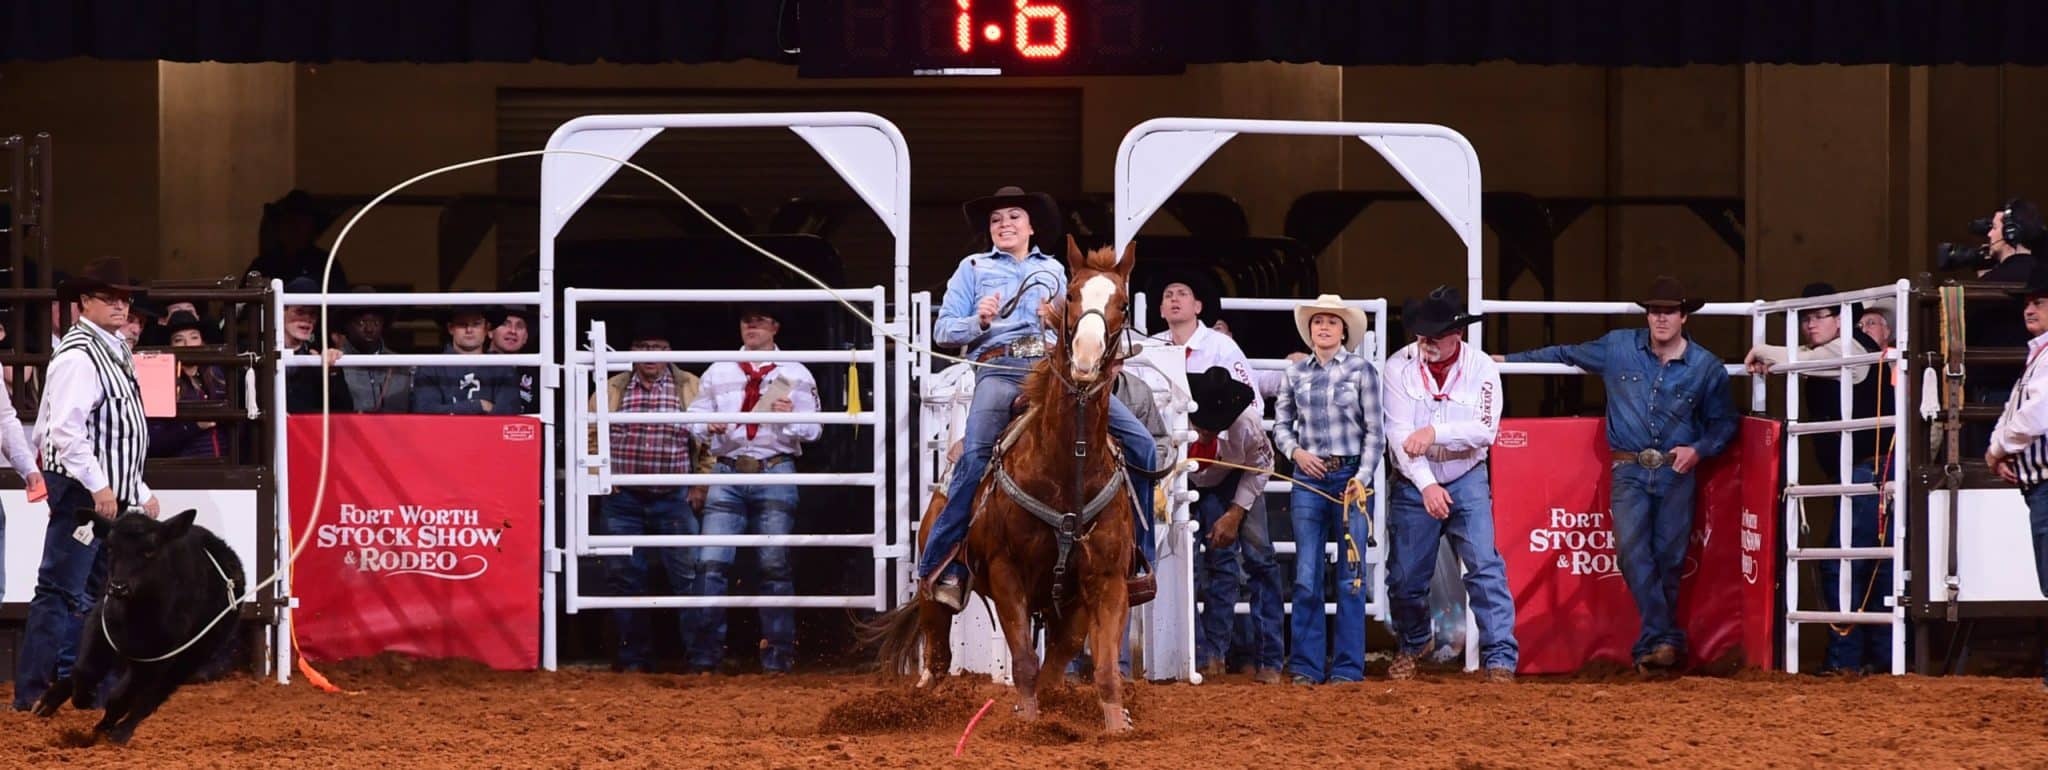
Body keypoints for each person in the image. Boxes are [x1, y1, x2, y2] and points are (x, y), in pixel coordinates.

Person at [915, 186, 1158, 612]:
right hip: (1000, 369)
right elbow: (943, 331)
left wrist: (1061, 319)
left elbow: (1089, 322)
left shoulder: (1060, 272)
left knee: (1142, 444)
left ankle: (1135, 558)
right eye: (996, 220)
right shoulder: (971, 269)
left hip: (1056, 372)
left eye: (1013, 217)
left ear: (1030, 226)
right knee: (973, 456)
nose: (1004, 224)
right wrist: (979, 320)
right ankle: (946, 563)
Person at [1500, 275, 1738, 674]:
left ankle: (1656, 645)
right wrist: (1505, 362)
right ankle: (1664, 640)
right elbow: (1563, 354)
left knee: (1668, 556)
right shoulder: (1619, 347)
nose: (1660, 319)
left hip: (1674, 469)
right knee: (1632, 552)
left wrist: (1698, 450)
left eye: (1668, 312)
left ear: (1683, 316)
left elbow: (1724, 423)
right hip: (1629, 467)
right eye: (1654, 311)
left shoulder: (1706, 368)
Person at [12, 256, 160, 711]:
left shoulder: (111, 350)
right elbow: (66, 432)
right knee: (63, 588)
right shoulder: (80, 355)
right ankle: (36, 691)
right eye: (110, 298)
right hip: (84, 489)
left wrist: (136, 487)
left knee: (90, 590)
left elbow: (115, 431)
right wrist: (102, 487)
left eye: (124, 298)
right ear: (85, 303)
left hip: (102, 489)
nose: (121, 306)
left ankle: (74, 685)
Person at [1746, 283, 1896, 675]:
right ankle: (1879, 660)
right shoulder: (1845, 349)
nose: (1811, 324)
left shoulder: (1849, 347)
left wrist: (1762, 352)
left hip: (1868, 470)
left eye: (1819, 316)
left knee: (1843, 564)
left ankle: (1846, 659)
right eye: (1806, 318)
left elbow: (1792, 359)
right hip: (1869, 470)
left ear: (1840, 318)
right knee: (1870, 565)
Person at [1381, 287, 1518, 683]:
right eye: (1422, 335)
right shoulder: (1398, 366)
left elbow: (1485, 429)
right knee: (1405, 577)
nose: (1426, 343)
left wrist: (1435, 431)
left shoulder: (1481, 369)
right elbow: (1399, 435)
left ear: (1456, 335)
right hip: (1414, 480)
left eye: (1434, 336)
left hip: (1466, 474)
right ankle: (1415, 640)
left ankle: (1500, 657)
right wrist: (1426, 485)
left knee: (1484, 567)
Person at [686, 305, 821, 674]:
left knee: (774, 565)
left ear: (775, 327)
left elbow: (815, 430)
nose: (752, 326)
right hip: (727, 471)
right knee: (710, 563)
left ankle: (778, 658)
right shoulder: (719, 369)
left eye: (760, 320)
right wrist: (706, 426)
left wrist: (790, 418)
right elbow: (695, 417)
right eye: (747, 320)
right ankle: (705, 658)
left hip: (774, 468)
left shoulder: (795, 372)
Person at [587, 320, 710, 673]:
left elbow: (710, 441)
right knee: (624, 578)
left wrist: (700, 483)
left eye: (658, 347)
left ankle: (699, 659)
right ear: (632, 351)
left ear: (669, 351)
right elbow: (590, 434)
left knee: (688, 576)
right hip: (624, 498)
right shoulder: (612, 387)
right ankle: (633, 660)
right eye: (642, 346)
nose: (650, 354)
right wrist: (602, 476)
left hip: (674, 495)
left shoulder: (691, 386)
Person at [1273, 294, 1383, 685]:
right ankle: (1306, 666)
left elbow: (1375, 433)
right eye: (1318, 321)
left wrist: (1362, 477)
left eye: (1331, 322)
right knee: (1306, 573)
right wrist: (1296, 453)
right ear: (1311, 330)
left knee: (1351, 574)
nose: (1323, 327)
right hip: (1309, 475)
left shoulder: (1361, 371)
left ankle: (1347, 668)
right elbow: (1281, 424)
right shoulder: (1296, 374)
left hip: (1350, 476)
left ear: (1343, 331)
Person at [1183, 367, 1276, 682]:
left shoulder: (1246, 424)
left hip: (1227, 482)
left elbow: (1263, 465)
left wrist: (1235, 512)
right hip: (1182, 481)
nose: (1207, 432)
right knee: (1185, 568)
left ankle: (1216, 652)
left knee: (1227, 566)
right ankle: (1193, 652)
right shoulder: (1174, 411)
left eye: (1213, 427)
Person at [1984, 258, 2048, 691]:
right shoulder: (2038, 356)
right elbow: (2018, 410)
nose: (2030, 309)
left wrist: (1998, 449)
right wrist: (2000, 448)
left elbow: (2034, 415)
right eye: (2029, 302)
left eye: (2040, 302)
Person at [1966, 199, 2044, 455]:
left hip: (1996, 394)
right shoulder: (2041, 274)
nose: (1989, 234)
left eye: (1994, 227)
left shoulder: (1986, 284)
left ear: (2011, 232)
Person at [148, 311, 231, 458]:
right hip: (184, 469)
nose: (188, 344)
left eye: (194, 337)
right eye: (179, 340)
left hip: (222, 465)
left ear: (202, 342)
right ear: (170, 345)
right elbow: (154, 440)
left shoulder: (217, 376)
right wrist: (194, 426)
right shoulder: (161, 380)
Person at [411, 307, 519, 415]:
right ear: (450, 328)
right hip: (443, 432)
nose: (469, 330)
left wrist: (452, 410)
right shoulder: (430, 368)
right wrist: (478, 406)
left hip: (489, 432)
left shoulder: (502, 367)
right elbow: (425, 414)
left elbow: (507, 417)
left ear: (487, 328)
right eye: (462, 324)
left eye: (476, 324)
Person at [280, 277, 354, 414]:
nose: (307, 319)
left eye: (313, 314)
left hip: (307, 433)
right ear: (282, 311)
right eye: (300, 312)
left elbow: (345, 410)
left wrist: (332, 373)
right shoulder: (257, 353)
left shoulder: (320, 356)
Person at [337, 286, 412, 413]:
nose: (369, 329)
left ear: (383, 324)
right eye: (361, 322)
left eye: (376, 322)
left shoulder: (402, 365)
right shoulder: (336, 364)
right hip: (349, 431)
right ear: (347, 324)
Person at [489, 305, 539, 414]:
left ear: (525, 337)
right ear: (490, 331)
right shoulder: (476, 365)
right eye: (505, 324)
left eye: (519, 326)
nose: (512, 331)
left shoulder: (535, 374)